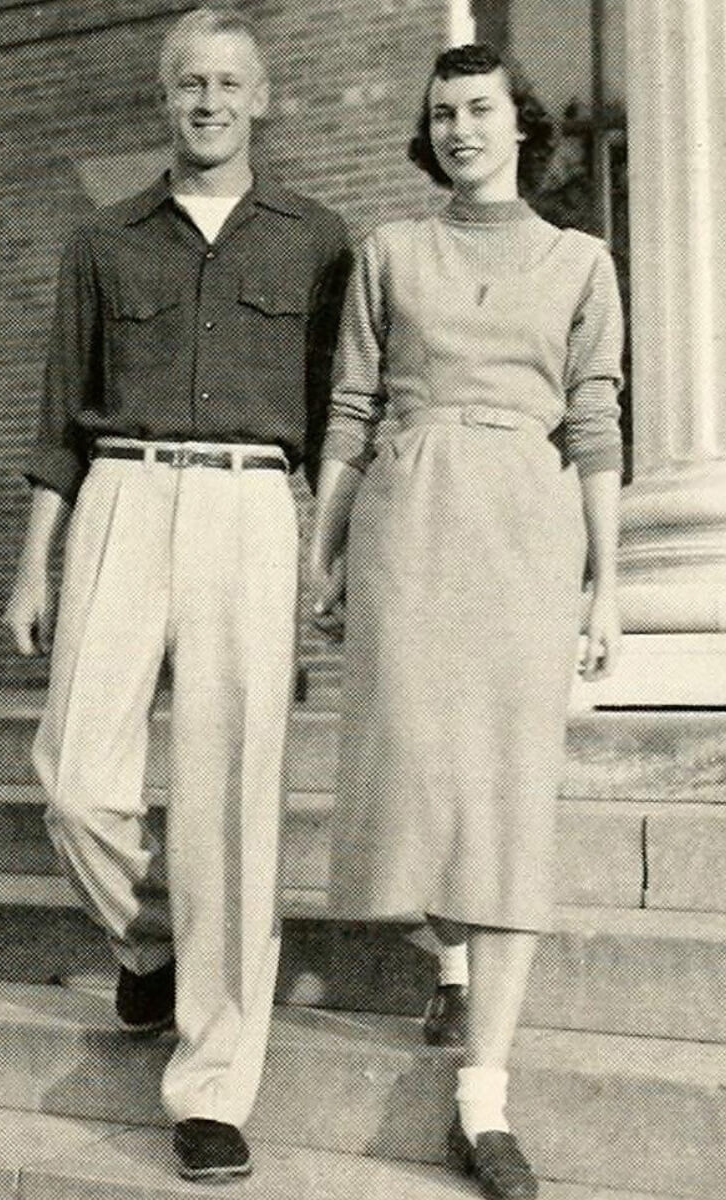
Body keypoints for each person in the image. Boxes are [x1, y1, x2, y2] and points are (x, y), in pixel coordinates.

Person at [3, 5, 350, 1182]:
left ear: (261, 100)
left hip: (251, 505)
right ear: (165, 100)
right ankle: (148, 941)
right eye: (187, 83)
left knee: (232, 804)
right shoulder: (103, 242)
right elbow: (59, 419)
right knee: (75, 781)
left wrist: (327, 550)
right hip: (118, 497)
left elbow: (336, 421)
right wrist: (32, 561)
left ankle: (210, 1089)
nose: (207, 102)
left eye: (227, 84)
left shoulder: (317, 240)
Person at [310, 43, 622, 1200]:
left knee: (504, 803)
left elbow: (592, 423)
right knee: (409, 780)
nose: (460, 130)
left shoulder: (580, 263)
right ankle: (445, 953)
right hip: (404, 524)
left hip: (522, 537)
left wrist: (609, 581)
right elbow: (348, 406)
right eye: (441, 113)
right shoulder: (389, 253)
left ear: (520, 124)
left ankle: (481, 1102)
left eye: (480, 110)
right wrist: (324, 547)